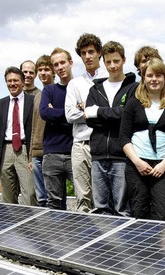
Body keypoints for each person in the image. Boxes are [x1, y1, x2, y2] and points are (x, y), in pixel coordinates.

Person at [119, 58, 165, 220]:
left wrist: (164, 165)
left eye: (159, 75)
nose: (154, 79)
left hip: (163, 168)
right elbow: (124, 137)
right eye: (149, 75)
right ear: (143, 79)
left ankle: (161, 246)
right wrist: (138, 162)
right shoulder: (133, 104)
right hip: (137, 166)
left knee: (163, 213)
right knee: (139, 211)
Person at [85, 40, 137, 216]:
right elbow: (89, 120)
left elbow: (127, 116)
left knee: (122, 209)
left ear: (123, 60)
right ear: (103, 62)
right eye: (108, 62)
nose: (113, 66)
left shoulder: (133, 87)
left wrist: (98, 112)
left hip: (121, 155)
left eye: (116, 61)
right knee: (101, 209)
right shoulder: (96, 89)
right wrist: (113, 114)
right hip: (98, 155)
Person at [65, 33, 106, 213]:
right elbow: (69, 115)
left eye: (91, 51)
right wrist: (97, 110)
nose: (88, 56)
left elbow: (113, 111)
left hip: (103, 143)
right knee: (83, 198)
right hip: (80, 145)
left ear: (99, 53)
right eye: (83, 53)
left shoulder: (109, 78)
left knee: (102, 196)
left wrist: (84, 108)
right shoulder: (75, 83)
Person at [0, 67, 36, 206]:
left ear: (22, 82)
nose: (12, 84)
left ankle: (30, 226)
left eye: (15, 80)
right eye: (9, 81)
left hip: (25, 149)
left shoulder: (32, 101)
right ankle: (12, 226)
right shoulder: (0, 104)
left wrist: (34, 155)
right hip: (6, 150)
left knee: (30, 193)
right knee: (7, 195)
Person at [40, 47, 75, 210]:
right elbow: (45, 112)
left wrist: (56, 112)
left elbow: (85, 114)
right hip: (52, 153)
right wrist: (71, 113)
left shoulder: (80, 87)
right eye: (56, 64)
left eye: (63, 62)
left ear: (70, 63)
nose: (60, 67)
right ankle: (57, 236)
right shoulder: (49, 90)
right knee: (53, 202)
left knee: (85, 198)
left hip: (75, 152)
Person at [28, 55, 54, 207]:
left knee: (53, 197)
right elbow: (33, 127)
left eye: (46, 69)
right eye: (40, 70)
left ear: (53, 71)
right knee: (41, 198)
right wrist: (30, 155)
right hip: (36, 154)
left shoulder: (58, 92)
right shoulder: (37, 97)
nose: (43, 73)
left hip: (52, 152)